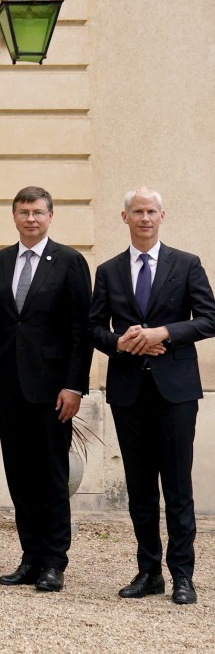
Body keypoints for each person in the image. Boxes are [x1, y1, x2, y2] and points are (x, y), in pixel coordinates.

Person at [88, 187, 215, 605]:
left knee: (177, 486)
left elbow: (209, 319)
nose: (145, 218)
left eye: (151, 211)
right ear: (123, 217)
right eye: (137, 211)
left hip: (175, 391)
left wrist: (163, 333)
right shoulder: (107, 271)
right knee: (141, 488)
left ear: (163, 216)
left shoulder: (186, 264)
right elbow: (93, 328)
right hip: (129, 392)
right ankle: (148, 572)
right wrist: (121, 344)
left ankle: (183, 575)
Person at [0, 186, 92, 593]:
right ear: (14, 216)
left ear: (50, 216)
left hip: (52, 391)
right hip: (8, 390)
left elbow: (81, 330)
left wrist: (74, 386)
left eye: (38, 212)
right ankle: (29, 557)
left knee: (51, 476)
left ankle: (54, 562)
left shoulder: (70, 261)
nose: (31, 218)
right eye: (24, 212)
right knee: (20, 477)